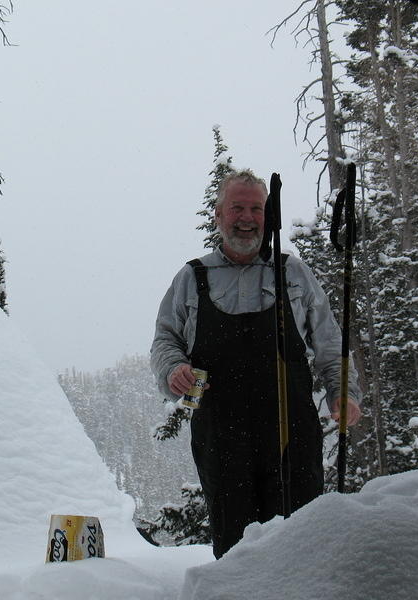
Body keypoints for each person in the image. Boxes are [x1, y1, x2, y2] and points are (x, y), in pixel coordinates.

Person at [150, 168, 361, 559]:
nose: (247, 218)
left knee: (301, 546)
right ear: (219, 214)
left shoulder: (292, 273)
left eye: (256, 209)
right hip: (222, 440)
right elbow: (165, 340)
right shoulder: (192, 278)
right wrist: (173, 370)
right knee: (236, 552)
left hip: (291, 438)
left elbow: (330, 343)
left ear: (269, 215)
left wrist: (343, 394)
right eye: (237, 208)